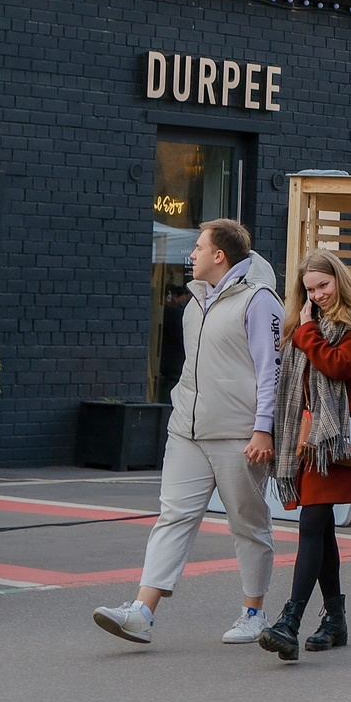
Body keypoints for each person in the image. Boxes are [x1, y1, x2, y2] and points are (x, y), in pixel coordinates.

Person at [93, 218, 282, 646]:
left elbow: (271, 371)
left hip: (240, 434)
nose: (191, 254)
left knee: (247, 524)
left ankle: (254, 612)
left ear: (220, 255)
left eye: (198, 247)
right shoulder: (196, 300)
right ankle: (142, 612)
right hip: (187, 430)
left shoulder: (260, 301)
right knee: (173, 515)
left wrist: (263, 430)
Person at [257, 248, 351, 663]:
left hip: (334, 440)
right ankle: (335, 620)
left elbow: (338, 366)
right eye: (310, 289)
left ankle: (290, 622)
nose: (318, 294)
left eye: (324, 285)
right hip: (303, 436)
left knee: (312, 522)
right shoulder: (302, 322)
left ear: (338, 280)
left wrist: (307, 332)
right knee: (321, 527)